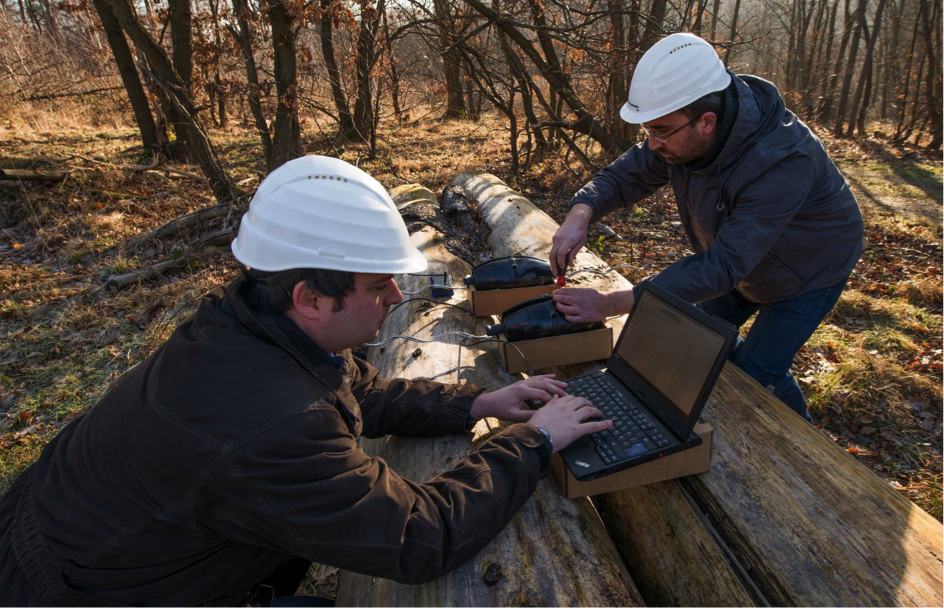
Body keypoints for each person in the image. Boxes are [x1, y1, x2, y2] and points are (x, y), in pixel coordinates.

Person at [0, 156, 611, 608]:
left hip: (77, 548)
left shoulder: (248, 323)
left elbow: (359, 388)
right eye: (379, 287)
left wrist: (478, 399)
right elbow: (417, 536)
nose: (396, 296)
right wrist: (533, 442)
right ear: (309, 296)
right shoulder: (273, 424)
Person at [549, 33, 863, 420]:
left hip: (807, 271)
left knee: (757, 374)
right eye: (648, 131)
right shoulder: (683, 129)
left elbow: (722, 266)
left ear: (707, 122)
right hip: (741, 263)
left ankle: (809, 450)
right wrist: (578, 217)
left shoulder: (783, 160)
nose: (652, 145)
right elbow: (622, 178)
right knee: (698, 343)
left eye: (660, 132)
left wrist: (611, 304)